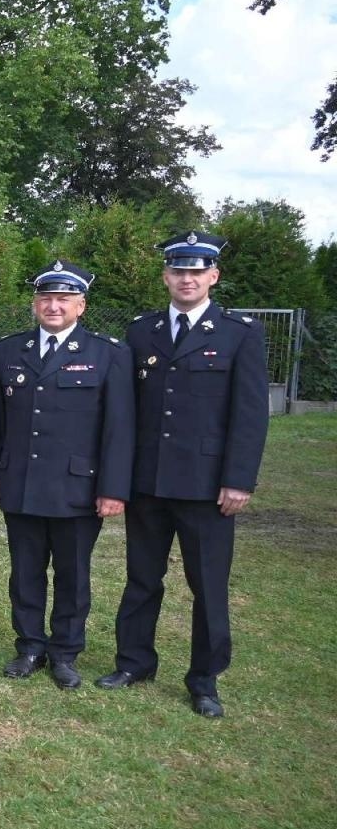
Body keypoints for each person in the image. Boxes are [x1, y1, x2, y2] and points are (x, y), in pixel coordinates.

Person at [96, 231, 269, 718]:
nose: (186, 279)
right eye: (178, 270)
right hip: (148, 481)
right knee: (141, 580)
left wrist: (239, 479)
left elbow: (251, 414)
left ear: (213, 276)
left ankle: (204, 679)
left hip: (206, 486)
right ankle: (133, 662)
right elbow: (126, 414)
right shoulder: (141, 332)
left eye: (196, 271)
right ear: (166, 276)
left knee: (208, 586)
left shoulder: (239, 333)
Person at [0, 260, 134, 689]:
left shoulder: (107, 354)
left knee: (72, 575)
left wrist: (112, 488)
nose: (53, 306)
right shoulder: (9, 351)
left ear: (81, 306)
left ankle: (66, 652)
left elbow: (119, 429)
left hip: (78, 487)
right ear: (35, 303)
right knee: (25, 572)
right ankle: (29, 645)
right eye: (46, 298)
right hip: (22, 483)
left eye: (63, 299)